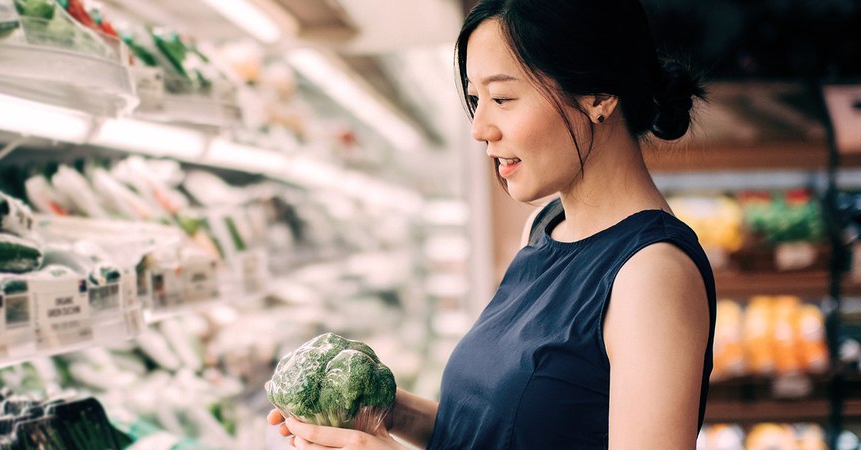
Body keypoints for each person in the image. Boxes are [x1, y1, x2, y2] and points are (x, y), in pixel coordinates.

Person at [268, 0, 716, 448]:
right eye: (474, 99)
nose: (480, 127)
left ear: (598, 96)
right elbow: (499, 431)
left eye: (502, 98)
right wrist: (382, 408)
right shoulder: (545, 229)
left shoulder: (653, 274)